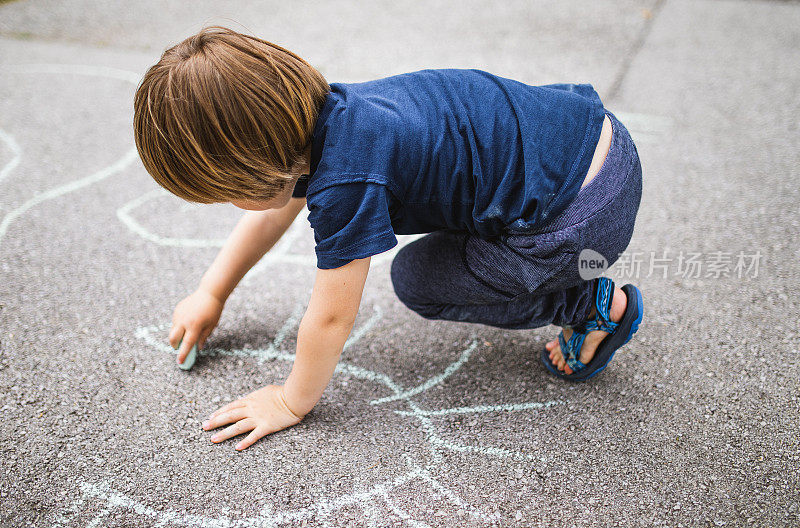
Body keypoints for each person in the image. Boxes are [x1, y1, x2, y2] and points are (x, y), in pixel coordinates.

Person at [132, 26, 644, 451]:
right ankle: (551, 264)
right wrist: (212, 291)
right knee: (455, 188)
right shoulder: (333, 115)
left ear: (254, 174)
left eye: (228, 194)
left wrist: (291, 400)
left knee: (417, 280)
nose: (234, 206)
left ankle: (592, 305)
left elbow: (332, 316)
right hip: (595, 138)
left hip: (577, 218)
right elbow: (274, 212)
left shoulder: (345, 182)